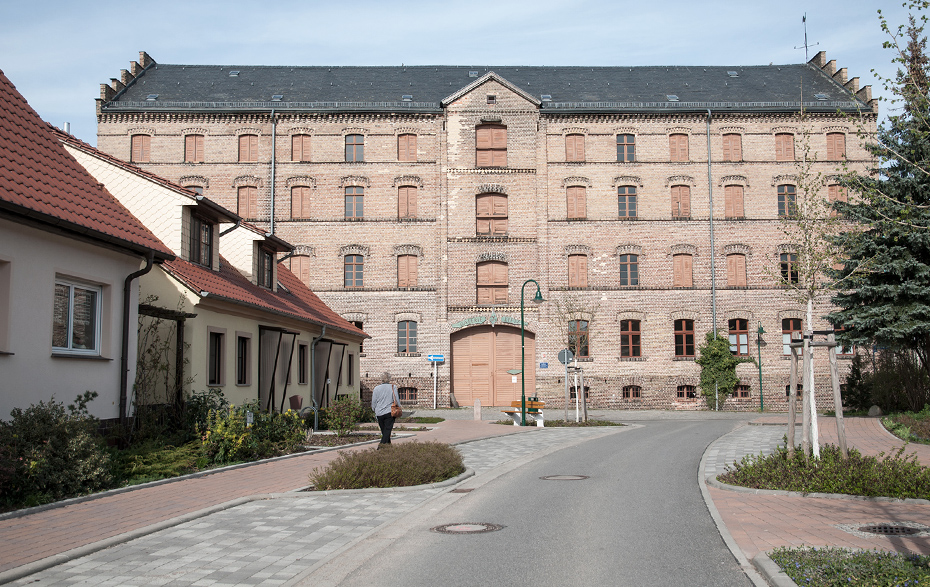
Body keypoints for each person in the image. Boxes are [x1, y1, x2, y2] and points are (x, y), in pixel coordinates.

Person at [371, 372, 401, 447]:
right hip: (389, 412)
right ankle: (381, 446)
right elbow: (396, 400)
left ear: (381, 379)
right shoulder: (393, 387)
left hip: (379, 413)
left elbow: (374, 401)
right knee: (387, 430)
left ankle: (389, 447)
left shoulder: (376, 388)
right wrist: (399, 408)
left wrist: (374, 409)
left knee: (384, 431)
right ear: (389, 379)